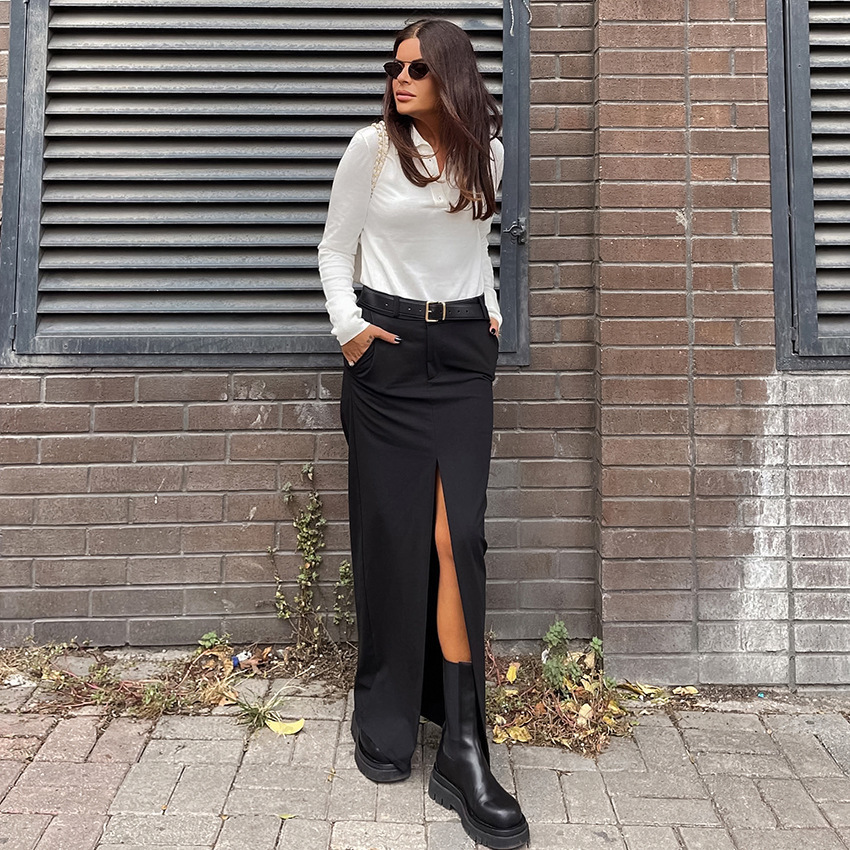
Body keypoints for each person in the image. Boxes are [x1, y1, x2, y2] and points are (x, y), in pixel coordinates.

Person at [317, 18, 529, 849]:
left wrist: (491, 306)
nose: (399, 79)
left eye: (416, 68)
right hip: (390, 354)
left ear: (451, 76)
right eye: (393, 67)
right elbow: (334, 250)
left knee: (458, 537)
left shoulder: (488, 155)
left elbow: (475, 246)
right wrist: (351, 334)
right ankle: (387, 719)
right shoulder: (371, 149)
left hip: (463, 356)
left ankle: (465, 749)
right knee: (395, 539)